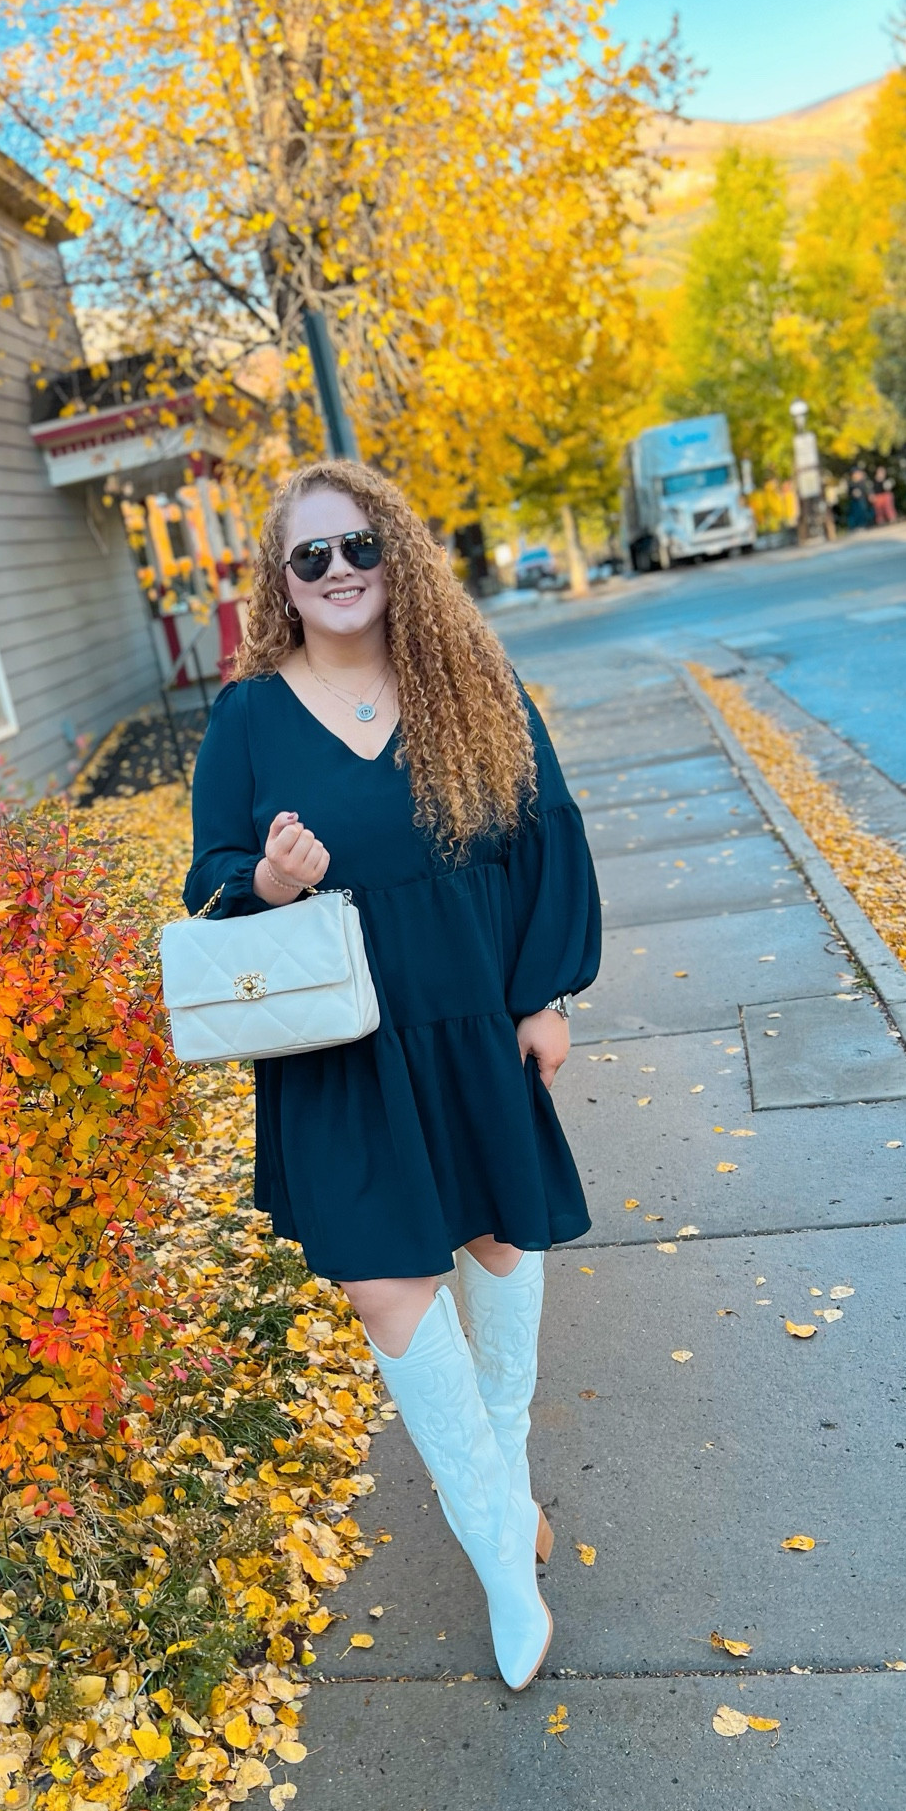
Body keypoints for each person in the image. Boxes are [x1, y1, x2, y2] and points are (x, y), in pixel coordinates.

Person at [183, 461, 600, 1691]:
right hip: (342, 1057)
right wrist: (265, 880)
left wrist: (543, 992)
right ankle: (502, 1569)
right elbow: (207, 882)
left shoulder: (470, 682)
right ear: (281, 582)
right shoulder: (248, 719)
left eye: (357, 543)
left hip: (473, 1023)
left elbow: (545, 834)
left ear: (395, 550)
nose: (338, 569)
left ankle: (506, 1481)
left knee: (499, 1249)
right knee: (388, 1292)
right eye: (308, 556)